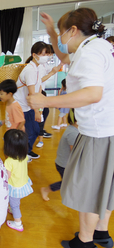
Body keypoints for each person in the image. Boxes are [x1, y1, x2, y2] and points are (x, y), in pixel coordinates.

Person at [28, 8, 114, 248]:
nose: (61, 39)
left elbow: (93, 93)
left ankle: (84, 242)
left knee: (89, 190)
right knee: (105, 187)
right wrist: (52, 34)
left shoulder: (89, 54)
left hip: (98, 133)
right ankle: (101, 233)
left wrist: (45, 101)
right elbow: (66, 58)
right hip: (108, 128)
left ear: (74, 31)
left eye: (62, 33)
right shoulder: (99, 46)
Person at [14, 41, 49, 160]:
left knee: (34, 130)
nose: (46, 57)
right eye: (43, 54)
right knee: (30, 131)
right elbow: (31, 94)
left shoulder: (37, 68)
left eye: (47, 54)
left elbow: (38, 89)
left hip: (28, 105)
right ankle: (22, 153)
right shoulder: (30, 70)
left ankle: (26, 151)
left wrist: (39, 108)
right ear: (34, 55)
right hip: (23, 106)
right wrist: (37, 111)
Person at [41, 109, 79, 201]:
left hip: (63, 163)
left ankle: (70, 193)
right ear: (78, 121)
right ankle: (46, 190)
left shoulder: (72, 128)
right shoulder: (73, 133)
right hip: (64, 165)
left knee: (71, 181)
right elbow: (74, 153)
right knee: (66, 182)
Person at [4, 129, 33, 232]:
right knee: (16, 201)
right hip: (22, 183)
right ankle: (11, 209)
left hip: (14, 187)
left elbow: (7, 176)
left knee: (15, 205)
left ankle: (18, 223)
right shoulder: (24, 156)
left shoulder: (9, 161)